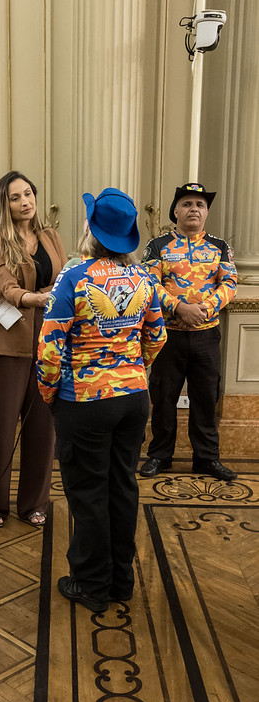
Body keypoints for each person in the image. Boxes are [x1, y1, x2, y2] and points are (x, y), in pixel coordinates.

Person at [37, 188, 167, 612]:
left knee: (88, 492)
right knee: (123, 486)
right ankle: (120, 581)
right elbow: (157, 337)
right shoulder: (145, 279)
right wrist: (134, 371)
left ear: (90, 229)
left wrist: (50, 395)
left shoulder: (74, 278)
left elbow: (50, 348)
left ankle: (91, 585)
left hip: (85, 402)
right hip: (133, 399)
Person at [0, 170, 67, 528]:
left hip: (48, 343)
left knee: (43, 429)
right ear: (5, 203)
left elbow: (63, 279)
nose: (25, 201)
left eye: (28, 194)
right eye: (15, 197)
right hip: (6, 345)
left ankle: (34, 503)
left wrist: (40, 294)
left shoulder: (51, 236)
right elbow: (6, 286)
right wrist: (34, 296)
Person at [139, 183, 238, 481]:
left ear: (206, 212)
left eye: (200, 204)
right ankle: (160, 455)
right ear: (176, 211)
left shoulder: (220, 246)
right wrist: (179, 308)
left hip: (207, 335)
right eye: (187, 203)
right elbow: (150, 284)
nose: (194, 208)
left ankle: (207, 458)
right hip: (169, 334)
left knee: (206, 397)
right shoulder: (158, 246)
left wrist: (205, 309)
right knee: (164, 397)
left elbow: (229, 284)